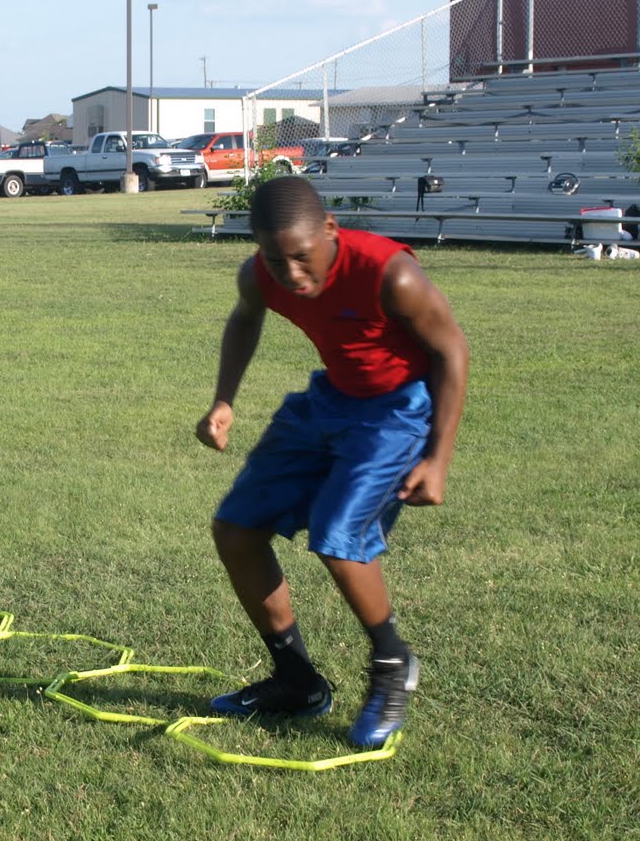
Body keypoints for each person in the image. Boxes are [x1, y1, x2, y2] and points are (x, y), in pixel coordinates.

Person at [196, 177, 468, 748]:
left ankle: (393, 664)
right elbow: (246, 317)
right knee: (236, 529)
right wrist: (224, 399)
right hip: (329, 402)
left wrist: (438, 459)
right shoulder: (261, 274)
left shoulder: (391, 274)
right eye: (276, 259)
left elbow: (450, 350)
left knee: (337, 537)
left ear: (330, 231)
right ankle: (296, 681)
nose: (292, 273)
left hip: (399, 411)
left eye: (301, 256)